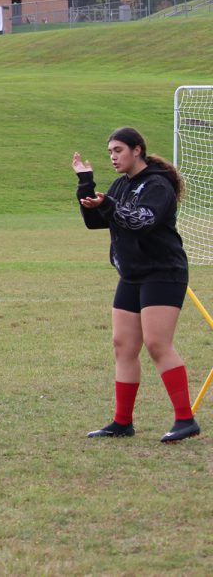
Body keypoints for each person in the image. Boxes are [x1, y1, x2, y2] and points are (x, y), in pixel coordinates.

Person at [74, 127, 200, 443]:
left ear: (137, 150)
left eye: (118, 150)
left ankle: (186, 420)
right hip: (131, 274)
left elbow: (141, 221)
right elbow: (94, 221)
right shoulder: (120, 185)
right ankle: (122, 422)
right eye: (110, 152)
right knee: (123, 346)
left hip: (163, 272)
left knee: (157, 344)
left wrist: (110, 205)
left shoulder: (158, 185)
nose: (113, 157)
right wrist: (86, 184)